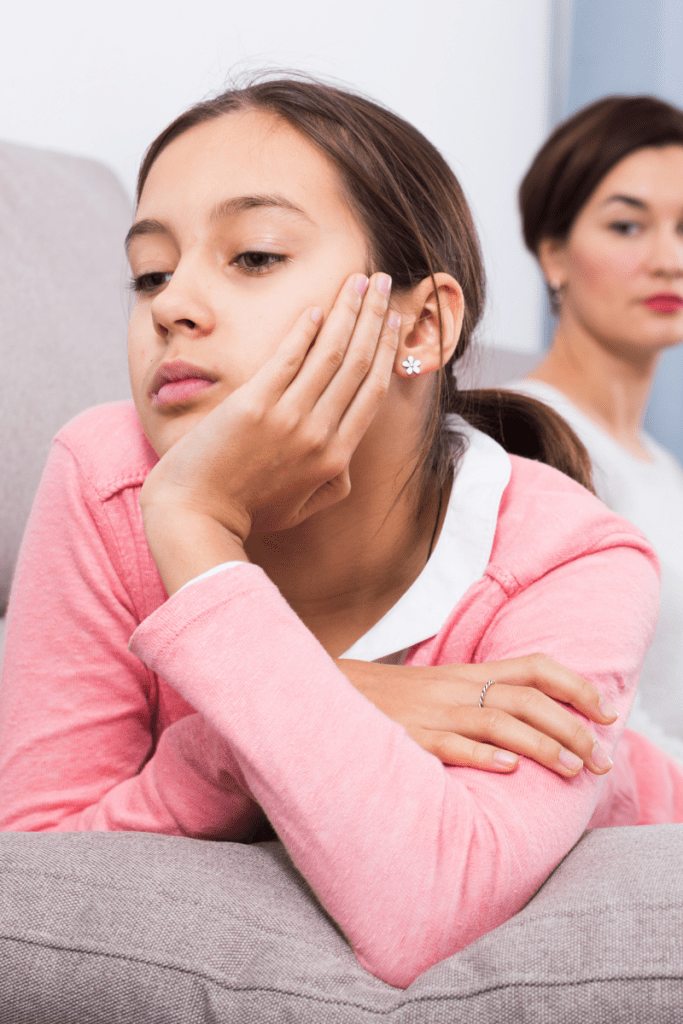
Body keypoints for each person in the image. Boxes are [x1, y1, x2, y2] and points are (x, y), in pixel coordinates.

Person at [0, 77, 678, 990]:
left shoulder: (578, 560)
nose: (170, 305)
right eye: (151, 271)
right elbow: (29, 870)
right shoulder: (108, 475)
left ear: (422, 325)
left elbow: (430, 909)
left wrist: (198, 535)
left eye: (254, 255)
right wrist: (295, 714)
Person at [507, 95, 683, 763]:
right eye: (626, 227)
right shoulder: (525, 438)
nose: (667, 259)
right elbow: (565, 701)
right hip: (619, 829)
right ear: (553, 255)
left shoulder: (659, 468)